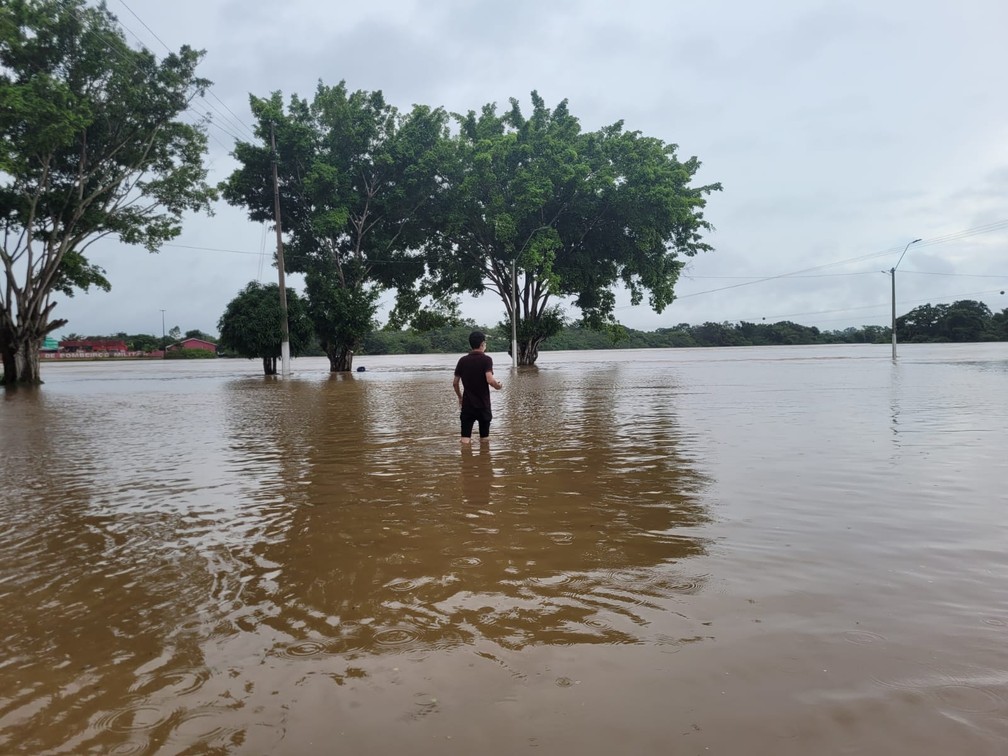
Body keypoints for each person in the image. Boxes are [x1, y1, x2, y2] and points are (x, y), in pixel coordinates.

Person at [453, 330, 503, 443]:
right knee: (484, 439)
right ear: (482, 344)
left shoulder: (462, 360)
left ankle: (465, 459)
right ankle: (484, 459)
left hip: (467, 405)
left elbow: (455, 383)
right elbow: (489, 379)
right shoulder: (486, 360)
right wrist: (498, 386)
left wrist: (460, 397)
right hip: (483, 405)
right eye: (485, 343)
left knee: (465, 439)